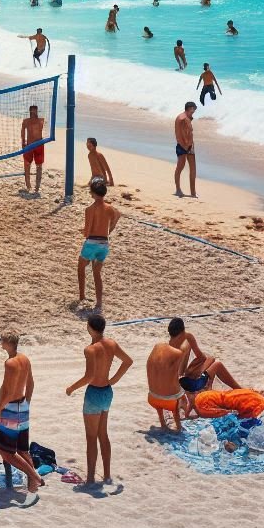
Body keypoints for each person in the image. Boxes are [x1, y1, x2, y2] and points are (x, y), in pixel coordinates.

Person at [65, 314, 133, 485]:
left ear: (89, 328)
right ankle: (107, 475)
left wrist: (72, 387)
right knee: (103, 434)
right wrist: (115, 379)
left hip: (94, 393)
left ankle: (90, 479)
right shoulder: (111, 343)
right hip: (107, 392)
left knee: (91, 437)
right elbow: (128, 361)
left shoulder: (90, 349)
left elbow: (89, 376)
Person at [0, 330, 43, 501]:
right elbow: (31, 383)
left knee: (5, 451)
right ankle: (32, 483)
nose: (0, 343)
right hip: (22, 406)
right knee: (22, 449)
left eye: (2, 341)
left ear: (8, 342)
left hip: (11, 408)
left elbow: (10, 390)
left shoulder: (10, 363)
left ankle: (34, 476)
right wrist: (26, 402)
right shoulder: (24, 359)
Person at [169, 318, 242, 412]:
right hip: (187, 383)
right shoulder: (187, 338)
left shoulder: (173, 345)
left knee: (210, 360)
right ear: (183, 330)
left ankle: (208, 383)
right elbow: (202, 357)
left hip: (183, 379)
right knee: (216, 363)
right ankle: (240, 389)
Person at [78, 179, 120, 309]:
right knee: (97, 273)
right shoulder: (110, 208)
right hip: (104, 244)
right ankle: (99, 303)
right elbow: (117, 216)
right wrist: (109, 230)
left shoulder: (90, 209)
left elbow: (88, 231)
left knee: (80, 268)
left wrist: (83, 231)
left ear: (93, 193)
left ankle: (82, 297)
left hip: (92, 242)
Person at [146, 330, 190, 433]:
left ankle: (163, 424)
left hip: (152, 398)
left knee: (168, 396)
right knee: (180, 402)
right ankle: (179, 426)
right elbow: (186, 347)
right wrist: (187, 336)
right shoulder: (178, 353)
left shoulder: (157, 346)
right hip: (169, 403)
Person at [173, 101, 197, 198]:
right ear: (190, 108)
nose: (194, 111)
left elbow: (189, 133)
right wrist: (184, 146)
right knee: (180, 167)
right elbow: (179, 134)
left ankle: (193, 192)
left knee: (193, 169)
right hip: (183, 146)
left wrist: (190, 145)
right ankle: (178, 189)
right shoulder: (182, 118)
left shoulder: (187, 118)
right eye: (194, 109)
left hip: (190, 146)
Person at [20, 105, 45, 195]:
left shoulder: (41, 120)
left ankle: (37, 187)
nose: (33, 113)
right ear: (29, 111)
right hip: (29, 145)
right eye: (32, 111)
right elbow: (22, 132)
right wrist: (23, 142)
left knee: (39, 166)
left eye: (35, 111)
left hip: (39, 145)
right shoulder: (26, 121)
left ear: (37, 111)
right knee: (27, 165)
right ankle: (28, 186)